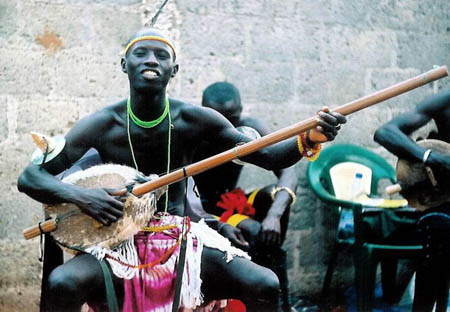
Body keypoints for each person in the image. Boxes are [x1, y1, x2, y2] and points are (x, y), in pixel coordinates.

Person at [17, 27, 346, 312]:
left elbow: (271, 156)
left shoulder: (195, 120)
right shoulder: (102, 124)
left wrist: (311, 136)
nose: (151, 60)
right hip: (119, 242)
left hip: (183, 239)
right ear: (123, 64)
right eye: (141, 53)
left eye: (161, 55)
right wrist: (84, 198)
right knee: (63, 282)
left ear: (174, 69)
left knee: (265, 284)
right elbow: (31, 177)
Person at [193, 82, 298, 312]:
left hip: (231, 201)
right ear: (204, 111)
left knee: (273, 197)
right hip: (200, 210)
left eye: (231, 118)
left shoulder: (250, 128)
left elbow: (288, 171)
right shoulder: (190, 130)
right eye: (217, 118)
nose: (225, 126)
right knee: (251, 230)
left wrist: (273, 216)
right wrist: (224, 223)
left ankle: (275, 295)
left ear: (240, 112)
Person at [374, 90, 450, 312]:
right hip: (440, 205)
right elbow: (385, 132)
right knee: (438, 230)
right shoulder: (446, 101)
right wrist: (430, 158)